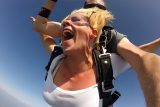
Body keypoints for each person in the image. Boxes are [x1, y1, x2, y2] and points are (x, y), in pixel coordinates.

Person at [31, 0, 160, 107]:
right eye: (66, 20)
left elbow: (143, 57)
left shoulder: (108, 63)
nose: (66, 22)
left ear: (93, 32)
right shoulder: (56, 58)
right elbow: (44, 35)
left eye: (75, 19)